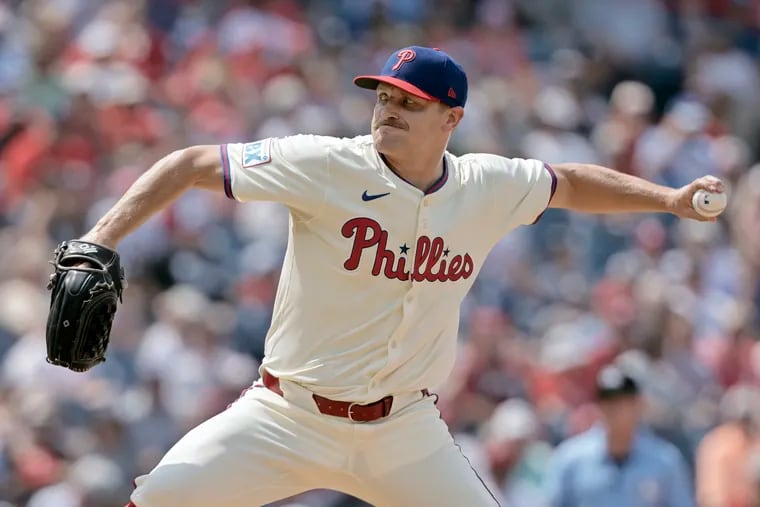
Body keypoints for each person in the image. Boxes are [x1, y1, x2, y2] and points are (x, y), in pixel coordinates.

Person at [76, 45, 723, 507]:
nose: (388, 108)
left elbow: (572, 182)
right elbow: (191, 163)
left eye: (409, 102)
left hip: (403, 430)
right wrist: (100, 238)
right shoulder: (327, 165)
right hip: (287, 413)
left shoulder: (485, 184)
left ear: (451, 119)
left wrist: (667, 198)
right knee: (161, 498)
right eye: (383, 96)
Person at [544, 364, 695, 507]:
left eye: (623, 402)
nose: (615, 409)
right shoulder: (571, 459)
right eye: (608, 401)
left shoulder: (665, 461)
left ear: (638, 405)